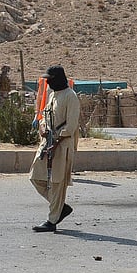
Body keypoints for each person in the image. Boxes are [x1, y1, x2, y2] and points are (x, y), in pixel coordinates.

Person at [29, 65, 80, 232]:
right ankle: (60, 207)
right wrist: (42, 127)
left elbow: (71, 126)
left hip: (62, 145)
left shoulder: (70, 97)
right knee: (36, 176)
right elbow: (45, 114)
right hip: (47, 142)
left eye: (51, 79)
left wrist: (56, 141)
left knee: (57, 182)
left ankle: (52, 221)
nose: (48, 82)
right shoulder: (52, 95)